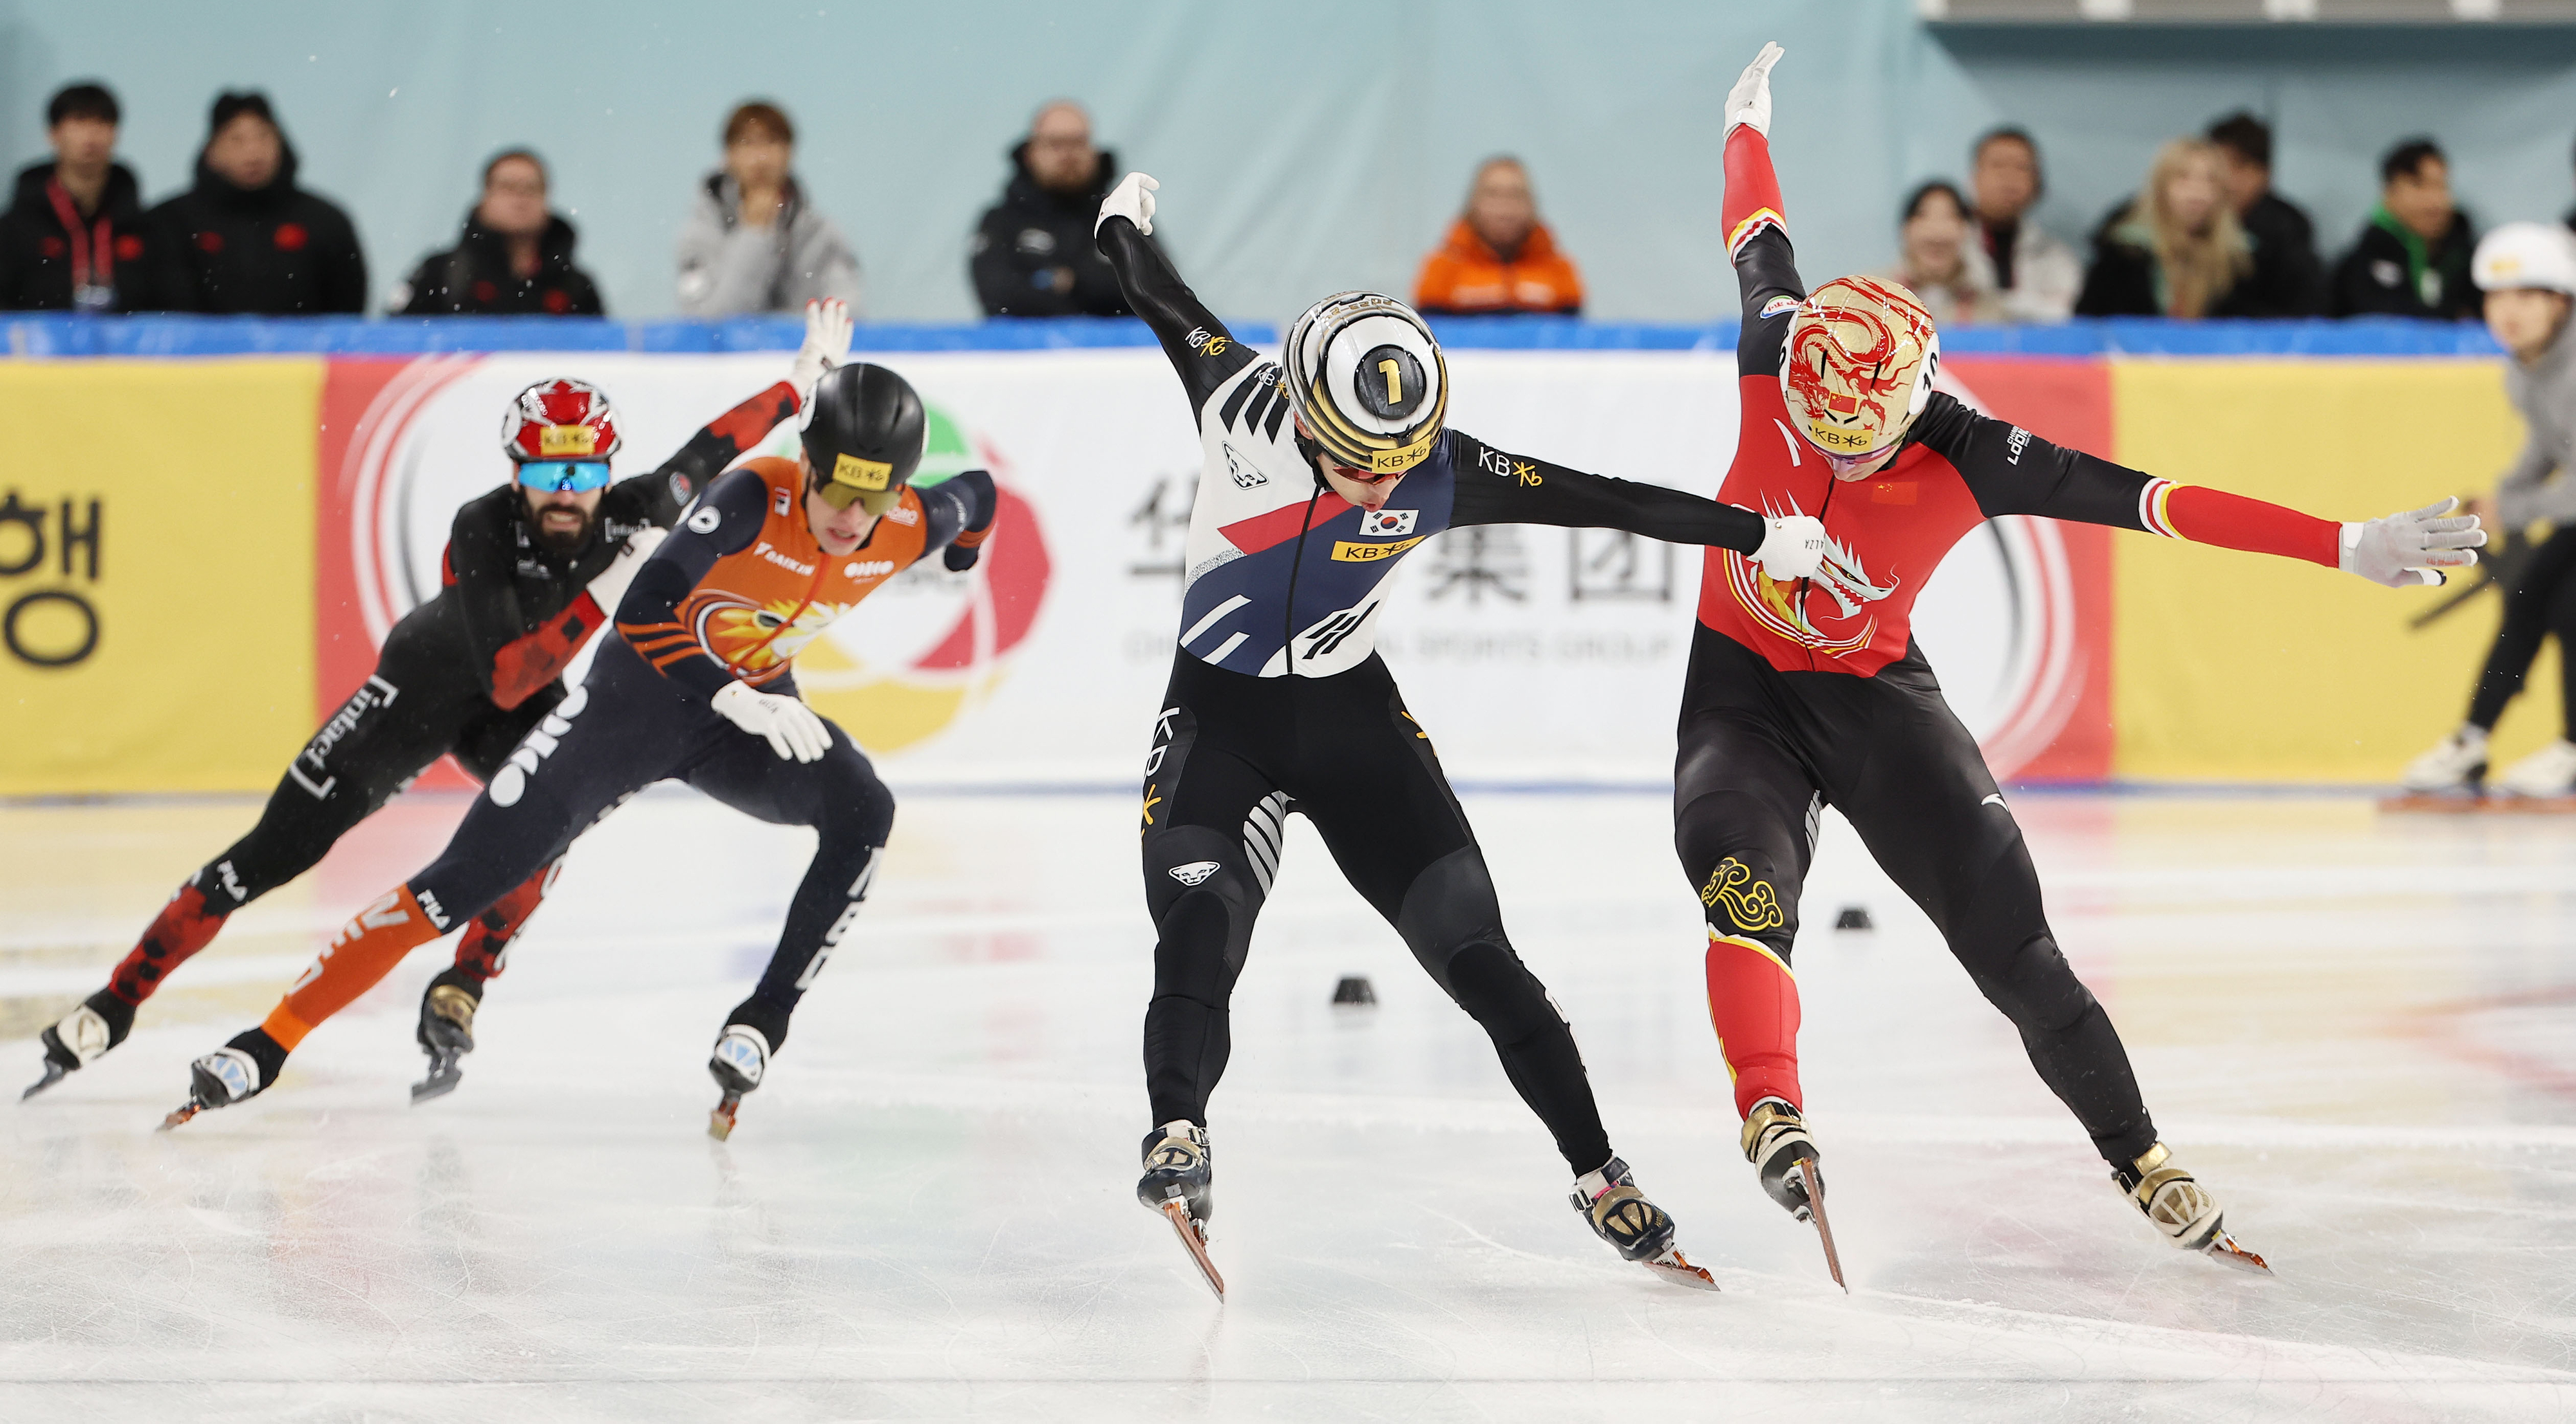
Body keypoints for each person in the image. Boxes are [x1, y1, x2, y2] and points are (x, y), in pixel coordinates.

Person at [1678, 43, 2482, 1280]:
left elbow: (2159, 501)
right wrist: (1744, 121)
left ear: (1912, 398)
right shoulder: (1775, 344)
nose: (1832, 460)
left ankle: (2139, 1151)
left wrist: (2346, 543)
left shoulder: (1977, 449)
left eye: (1861, 444)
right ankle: (1770, 1103)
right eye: (1813, 436)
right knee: (1742, 884)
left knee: (2017, 947)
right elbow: (1757, 224)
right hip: (1739, 685)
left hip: (1876, 699)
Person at [1090, 168, 1831, 1296]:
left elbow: (1611, 500)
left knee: (1484, 959)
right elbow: (1157, 292)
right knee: (1200, 928)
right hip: (1219, 720)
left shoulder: (1439, 466)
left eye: (1400, 458)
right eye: (1358, 458)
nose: (1384, 478)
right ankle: (1179, 1130)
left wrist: (1753, 533)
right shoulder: (1234, 396)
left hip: (1353, 720)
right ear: (1298, 412)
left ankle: (1599, 1168)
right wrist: (1119, 221)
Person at [24, 305, 853, 1103]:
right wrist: (606, 587)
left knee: (543, 837)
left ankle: (463, 984)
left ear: (607, 472)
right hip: (420, 693)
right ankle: (117, 1001)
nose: (566, 495)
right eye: (544, 473)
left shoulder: (632, 508)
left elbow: (711, 450)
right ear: (514, 475)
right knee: (265, 857)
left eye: (583, 474)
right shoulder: (483, 524)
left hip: (512, 712)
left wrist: (795, 386)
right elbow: (509, 678)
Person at [164, 357, 998, 1140]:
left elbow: (979, 491)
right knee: (459, 883)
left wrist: (961, 550)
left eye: (876, 495)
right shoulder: (754, 497)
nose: (853, 519)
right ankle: (265, 1043)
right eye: (839, 492)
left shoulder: (906, 522)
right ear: (809, 465)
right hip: (632, 709)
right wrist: (731, 691)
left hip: (741, 725)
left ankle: (761, 1020)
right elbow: (642, 610)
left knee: (866, 811)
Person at [2401, 224, 2576, 797]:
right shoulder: (2525, 368)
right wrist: (2498, 501)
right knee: (2527, 597)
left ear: (2560, 301)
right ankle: (2472, 740)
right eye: (2498, 297)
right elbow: (2547, 448)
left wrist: (2514, 509)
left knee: (2572, 606)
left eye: (2527, 297)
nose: (2509, 312)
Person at [148, 90, 368, 315]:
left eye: (263, 137)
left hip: (302, 352)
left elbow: (347, 314)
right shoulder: (170, 222)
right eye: (237, 140)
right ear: (211, 151)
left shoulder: (325, 221)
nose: (253, 153)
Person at [2076, 138, 2300, 320]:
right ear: (2160, 188)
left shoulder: (2249, 261)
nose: (2197, 192)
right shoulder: (2121, 256)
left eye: (2209, 181)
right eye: (2183, 179)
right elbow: (2091, 326)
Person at [674, 100, 862, 316]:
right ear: (729, 155)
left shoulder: (820, 233)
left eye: (771, 142)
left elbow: (846, 314)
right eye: (747, 143)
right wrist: (755, 233)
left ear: (789, 152)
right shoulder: (700, 232)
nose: (760, 159)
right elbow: (705, 322)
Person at [0, 82, 163, 312]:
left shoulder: (145, 229)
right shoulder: (14, 230)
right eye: (79, 121)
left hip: (125, 348)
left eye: (102, 122)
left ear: (116, 133)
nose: (91, 135)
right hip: (36, 348)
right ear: (53, 134)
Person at [969, 100, 1135, 318]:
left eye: (1078, 143)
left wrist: (1072, 282)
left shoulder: (1123, 219)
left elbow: (1157, 289)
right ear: (1031, 153)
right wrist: (1093, 292)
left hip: (1118, 351)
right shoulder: (1001, 222)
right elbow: (997, 295)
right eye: (1056, 144)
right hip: (1029, 351)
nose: (1068, 155)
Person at [395, 149, 605, 316]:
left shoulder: (575, 285)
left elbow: (601, 357)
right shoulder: (442, 275)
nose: (520, 199)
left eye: (531, 188)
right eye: (508, 187)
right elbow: (395, 344)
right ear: (485, 198)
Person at [1412, 156, 1584, 316]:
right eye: (1493, 194)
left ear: (1532, 204)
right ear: (1473, 203)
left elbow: (1572, 339)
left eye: (1515, 195)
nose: (1504, 209)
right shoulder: (1442, 268)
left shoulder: (1559, 269)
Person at [2330, 138, 2480, 321]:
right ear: (2388, 193)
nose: (2434, 200)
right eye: (2418, 185)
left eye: (2441, 185)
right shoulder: (2360, 264)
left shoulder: (2471, 259)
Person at [2205, 112, 2322, 317]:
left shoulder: (2289, 226)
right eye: (2219, 166)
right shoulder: (2194, 220)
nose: (2228, 178)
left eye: (2240, 165)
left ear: (2265, 172)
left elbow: (2305, 305)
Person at [1965, 128, 2080, 323]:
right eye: (1998, 165)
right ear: (1974, 178)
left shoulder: (2059, 259)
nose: (2009, 178)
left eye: (2021, 167)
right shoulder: (1949, 249)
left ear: (2037, 184)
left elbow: (2064, 316)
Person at [1880, 180, 2002, 327]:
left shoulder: (1989, 310)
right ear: (1905, 228)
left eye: (1949, 216)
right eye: (1924, 215)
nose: (1937, 233)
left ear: (1967, 231)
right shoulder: (1871, 297)